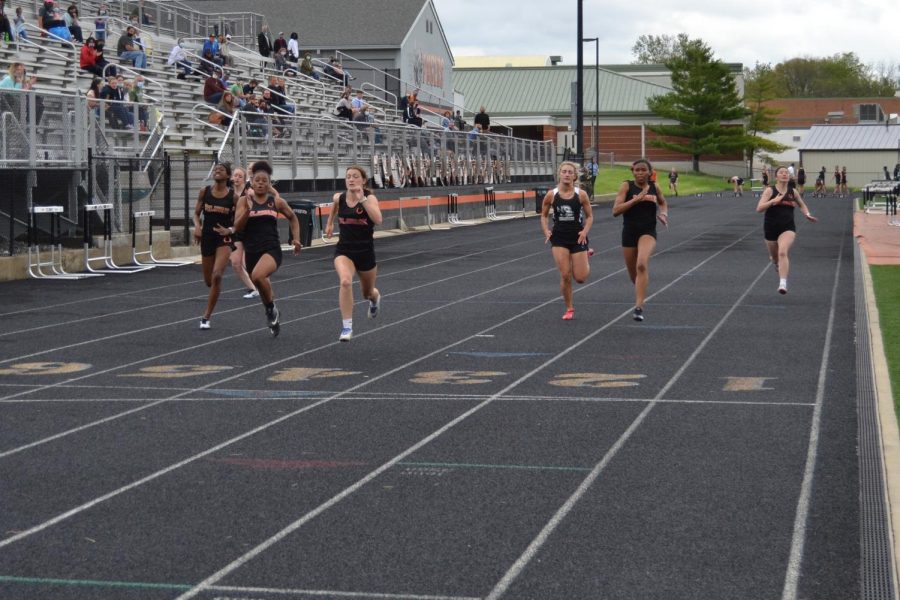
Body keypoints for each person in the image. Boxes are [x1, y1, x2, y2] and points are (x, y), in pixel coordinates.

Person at [226, 160, 300, 337]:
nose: (260, 183)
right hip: (252, 249)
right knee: (259, 280)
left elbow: (293, 218)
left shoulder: (276, 202)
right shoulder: (244, 201)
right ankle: (271, 309)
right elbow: (237, 226)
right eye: (257, 180)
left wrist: (296, 238)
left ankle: (270, 309)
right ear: (251, 182)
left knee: (258, 275)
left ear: (269, 184)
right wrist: (248, 210)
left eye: (264, 181)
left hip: (271, 248)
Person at [324, 165, 384, 342]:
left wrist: (362, 199)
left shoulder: (370, 198)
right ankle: (347, 327)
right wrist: (329, 223)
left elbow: (378, 220)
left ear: (363, 181)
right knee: (345, 281)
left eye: (355, 176)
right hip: (344, 251)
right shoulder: (339, 197)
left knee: (367, 293)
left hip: (365, 252)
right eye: (348, 176)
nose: (351, 179)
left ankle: (374, 298)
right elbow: (335, 206)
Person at [613, 158, 669, 321]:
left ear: (649, 172)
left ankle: (638, 307)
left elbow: (663, 203)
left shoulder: (654, 187)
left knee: (642, 264)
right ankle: (640, 290)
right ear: (633, 172)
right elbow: (615, 211)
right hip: (629, 232)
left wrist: (664, 214)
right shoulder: (626, 186)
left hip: (648, 231)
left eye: (643, 170)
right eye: (637, 170)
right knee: (634, 276)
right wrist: (636, 199)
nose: (639, 173)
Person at [540, 161, 593, 320]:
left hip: (577, 237)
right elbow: (543, 215)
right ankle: (569, 308)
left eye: (570, 172)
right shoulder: (552, 194)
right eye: (564, 171)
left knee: (581, 278)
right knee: (565, 275)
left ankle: (586, 254)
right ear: (560, 174)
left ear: (575, 175)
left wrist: (584, 232)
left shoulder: (581, 194)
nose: (567, 174)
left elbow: (590, 216)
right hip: (559, 238)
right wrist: (546, 231)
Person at [756, 165, 817, 294]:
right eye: (781, 172)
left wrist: (807, 214)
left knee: (783, 252)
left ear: (789, 176)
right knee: (775, 258)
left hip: (787, 227)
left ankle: (782, 284)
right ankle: (776, 263)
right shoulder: (769, 191)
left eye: (786, 173)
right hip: (771, 228)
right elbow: (759, 208)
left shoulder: (793, 192)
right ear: (776, 176)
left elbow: (802, 204)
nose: (784, 174)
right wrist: (773, 201)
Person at [192, 162, 237, 330]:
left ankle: (206, 316)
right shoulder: (204, 192)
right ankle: (215, 290)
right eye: (215, 169)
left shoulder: (233, 197)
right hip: (207, 237)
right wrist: (197, 227)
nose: (217, 171)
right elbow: (196, 214)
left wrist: (231, 230)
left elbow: (240, 220)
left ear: (228, 176)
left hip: (224, 238)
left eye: (221, 170)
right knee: (209, 281)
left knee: (217, 275)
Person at [227, 167, 259, 298]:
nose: (237, 178)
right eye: (235, 175)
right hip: (233, 230)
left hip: (248, 229)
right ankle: (253, 288)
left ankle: (260, 283)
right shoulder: (228, 193)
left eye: (240, 176)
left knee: (248, 262)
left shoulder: (248, 191)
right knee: (235, 263)